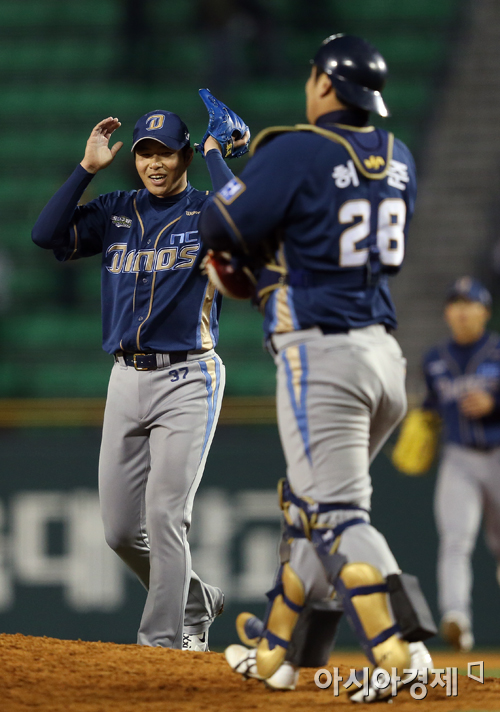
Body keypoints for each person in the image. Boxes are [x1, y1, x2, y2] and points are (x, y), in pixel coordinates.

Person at [199, 34, 435, 701]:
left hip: (323, 358)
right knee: (309, 510)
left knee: (334, 515)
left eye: (312, 76)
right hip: (384, 358)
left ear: (326, 84)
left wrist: (255, 260)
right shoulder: (401, 157)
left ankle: (406, 651)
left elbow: (220, 225)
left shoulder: (300, 149)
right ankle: (278, 653)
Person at [32, 101, 249, 651]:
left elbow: (246, 224)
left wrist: (215, 153)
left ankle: (162, 645)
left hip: (188, 377)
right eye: (145, 152)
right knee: (121, 531)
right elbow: (44, 234)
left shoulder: (206, 212)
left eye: (166, 153)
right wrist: (86, 169)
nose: (154, 163)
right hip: (125, 378)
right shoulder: (117, 210)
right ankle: (195, 601)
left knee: (166, 516)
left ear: (184, 157)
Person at [416, 277, 500, 651]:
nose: (463, 311)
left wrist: (494, 404)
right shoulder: (434, 359)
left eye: (470, 304)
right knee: (455, 539)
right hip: (459, 457)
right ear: (447, 313)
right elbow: (431, 408)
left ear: (485, 312)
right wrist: (422, 423)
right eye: (456, 304)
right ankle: (456, 617)